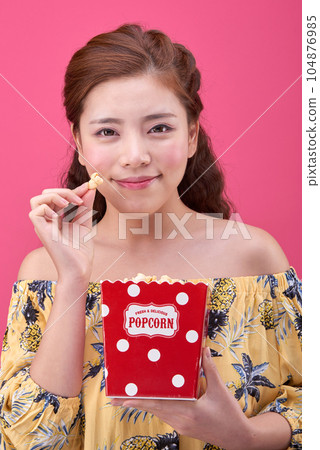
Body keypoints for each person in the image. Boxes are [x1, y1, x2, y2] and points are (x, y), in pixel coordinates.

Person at [0, 23, 301, 449]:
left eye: (159, 128)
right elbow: (28, 440)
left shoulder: (253, 256)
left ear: (192, 134)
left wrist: (246, 437)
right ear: (80, 145)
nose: (136, 155)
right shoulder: (43, 271)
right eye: (107, 131)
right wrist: (72, 280)